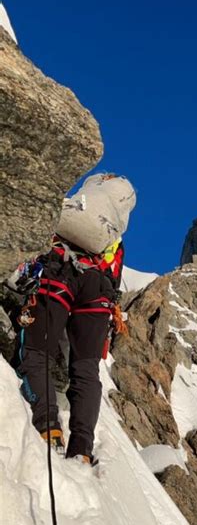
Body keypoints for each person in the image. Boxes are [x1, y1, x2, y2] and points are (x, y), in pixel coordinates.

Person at [11, 173, 136, 463]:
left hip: (59, 272)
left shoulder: (77, 206)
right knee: (86, 369)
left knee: (35, 350)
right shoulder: (113, 236)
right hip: (99, 289)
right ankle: (81, 448)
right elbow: (113, 276)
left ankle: (48, 427)